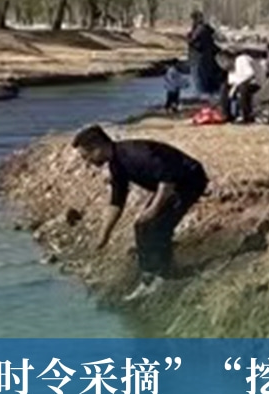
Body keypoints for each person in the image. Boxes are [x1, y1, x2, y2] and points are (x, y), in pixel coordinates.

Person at [71, 124, 208, 298]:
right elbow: (117, 202)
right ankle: (152, 277)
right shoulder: (116, 164)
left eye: (86, 156)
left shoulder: (134, 154)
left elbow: (168, 180)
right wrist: (104, 235)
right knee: (142, 226)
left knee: (156, 226)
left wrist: (153, 209)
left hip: (188, 181)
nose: (87, 162)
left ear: (97, 147)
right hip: (170, 186)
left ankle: (163, 277)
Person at [186, 9, 220, 97]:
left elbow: (195, 43)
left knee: (200, 83)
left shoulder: (200, 30)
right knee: (205, 82)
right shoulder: (204, 29)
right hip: (205, 59)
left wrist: (189, 37)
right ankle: (208, 96)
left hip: (198, 59)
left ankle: (204, 98)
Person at [227, 49, 259, 123]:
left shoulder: (242, 59)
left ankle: (245, 115)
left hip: (255, 83)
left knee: (243, 89)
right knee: (226, 89)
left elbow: (251, 74)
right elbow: (231, 81)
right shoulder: (231, 67)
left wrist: (237, 85)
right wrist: (233, 88)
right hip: (242, 85)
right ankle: (228, 115)